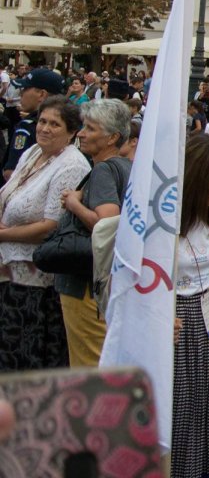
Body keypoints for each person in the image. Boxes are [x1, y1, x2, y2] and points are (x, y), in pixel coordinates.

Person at [0, 96, 90, 370]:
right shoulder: (33, 153)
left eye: (54, 124)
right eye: (42, 121)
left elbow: (52, 226)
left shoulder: (72, 165)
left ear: (72, 131)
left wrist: (3, 235)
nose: (45, 128)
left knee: (25, 357)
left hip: (37, 282)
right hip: (10, 269)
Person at [172, 133, 209, 478]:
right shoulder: (164, 223)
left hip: (204, 323)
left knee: (203, 410)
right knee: (180, 412)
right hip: (175, 324)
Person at [57, 99, 132, 366]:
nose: (81, 133)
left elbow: (106, 224)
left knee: (89, 364)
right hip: (110, 282)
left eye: (90, 128)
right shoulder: (127, 167)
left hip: (87, 284)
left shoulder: (102, 169)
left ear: (112, 137)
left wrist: (73, 203)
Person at [5, 67, 65, 181]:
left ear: (42, 94)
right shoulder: (66, 124)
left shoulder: (26, 127)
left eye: (25, 88)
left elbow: (11, 172)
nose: (21, 93)